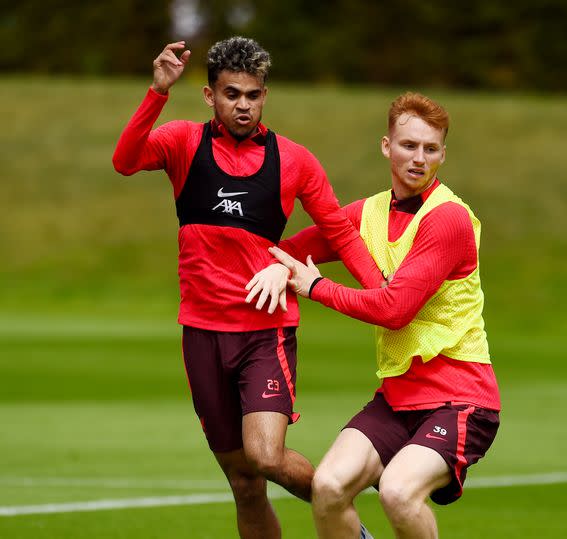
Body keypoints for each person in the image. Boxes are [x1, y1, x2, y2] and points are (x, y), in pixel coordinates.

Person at [112, 37, 382, 539]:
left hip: (264, 331)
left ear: (265, 96)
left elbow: (340, 232)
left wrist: (380, 294)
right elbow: (125, 161)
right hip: (201, 333)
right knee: (243, 481)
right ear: (209, 95)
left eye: (253, 95)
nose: (243, 105)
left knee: (264, 455)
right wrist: (156, 93)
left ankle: (351, 505)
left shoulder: (295, 160)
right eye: (232, 93)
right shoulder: (181, 142)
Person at [260, 92, 501, 539]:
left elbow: (395, 311)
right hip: (398, 397)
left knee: (397, 491)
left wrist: (315, 287)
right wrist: (276, 267)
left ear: (442, 155)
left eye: (430, 149)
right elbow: (289, 250)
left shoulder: (447, 218)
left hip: (461, 398)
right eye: (409, 145)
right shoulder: (366, 214)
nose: (419, 158)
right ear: (387, 146)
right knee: (328, 488)